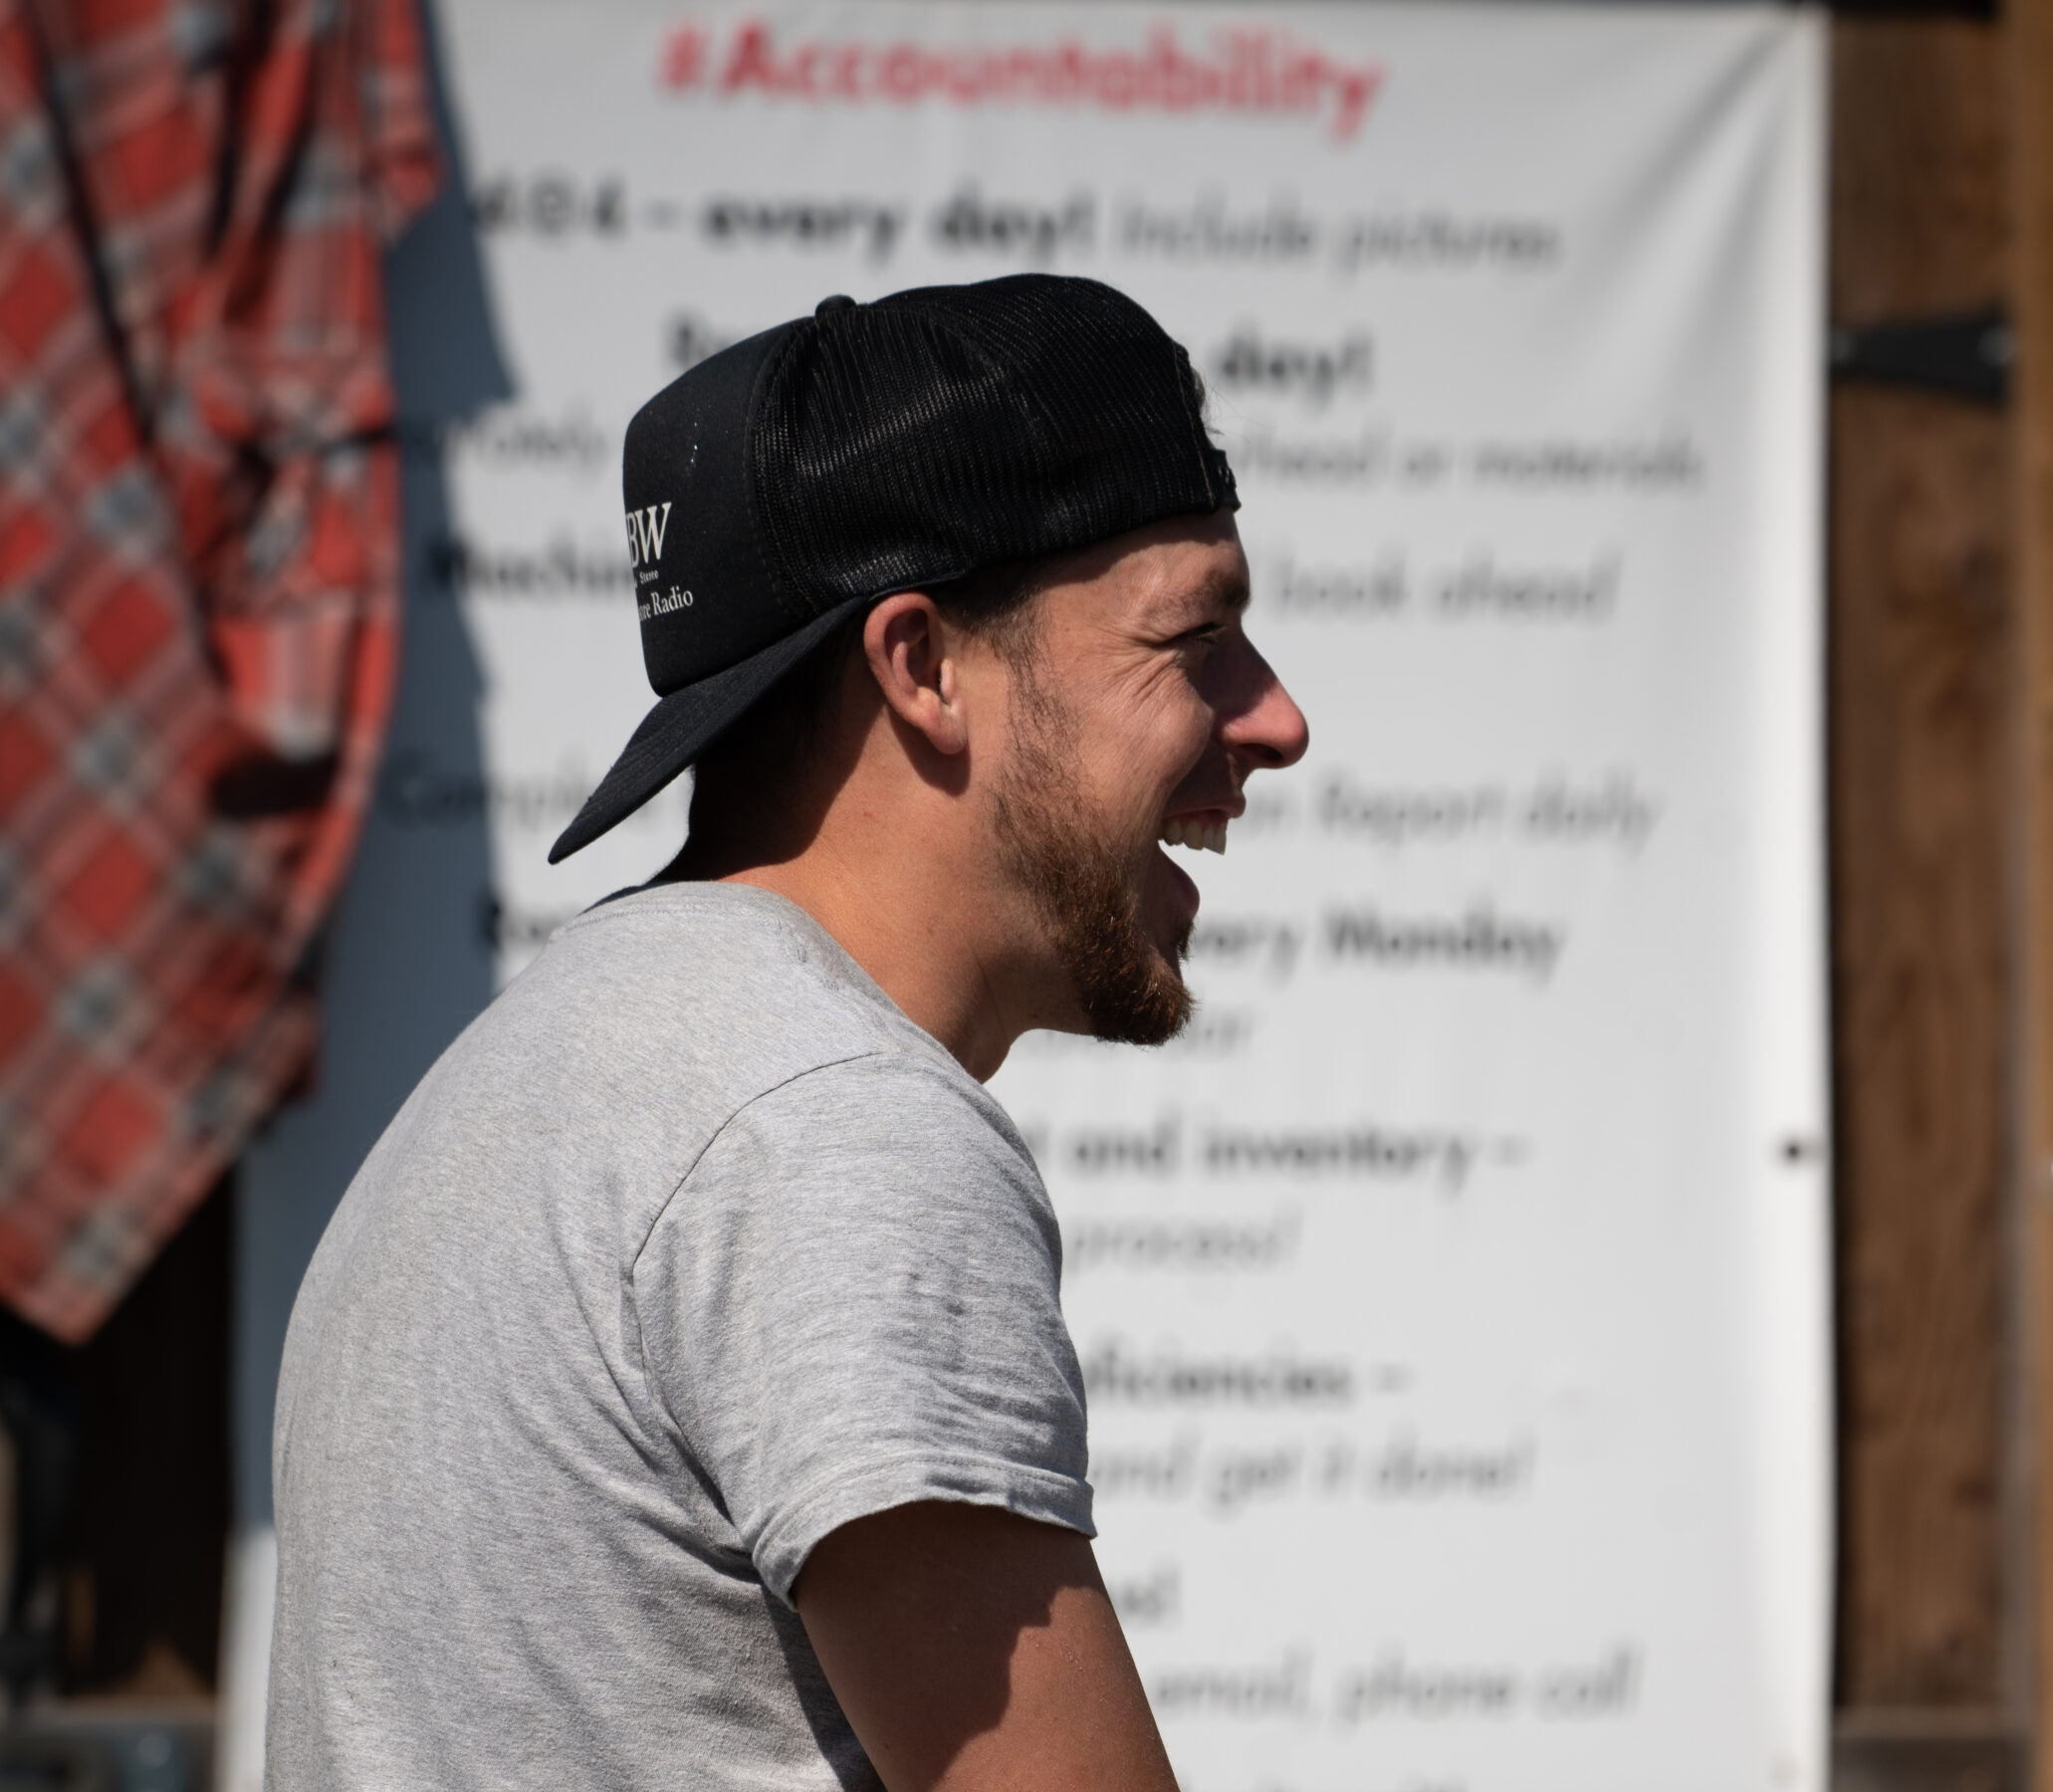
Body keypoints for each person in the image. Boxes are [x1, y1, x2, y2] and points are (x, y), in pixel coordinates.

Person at [265, 276, 1308, 1790]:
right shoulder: (829, 1131)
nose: (1273, 719)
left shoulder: (549, 1066)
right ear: (922, 665)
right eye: (1194, 634)